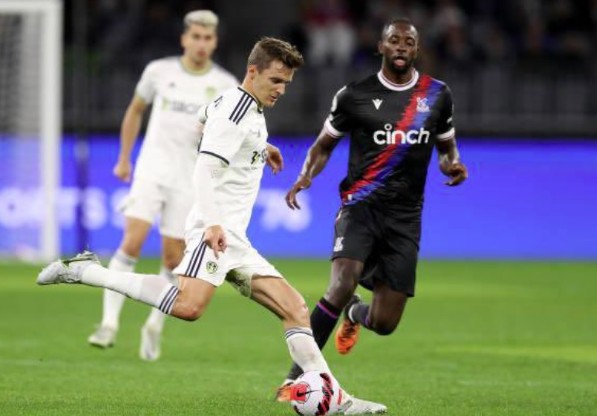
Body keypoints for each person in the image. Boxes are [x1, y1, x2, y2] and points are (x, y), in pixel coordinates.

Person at [38, 37, 387, 415]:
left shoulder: (237, 104)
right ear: (252, 72)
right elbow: (204, 169)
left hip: (235, 237)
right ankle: (87, 271)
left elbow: (202, 121)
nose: (281, 90)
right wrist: (213, 223)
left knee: (295, 308)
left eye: (286, 83)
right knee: (188, 306)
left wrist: (259, 147)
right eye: (275, 80)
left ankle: (338, 399)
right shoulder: (236, 111)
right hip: (215, 230)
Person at [280, 17, 468, 386]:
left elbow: (447, 147)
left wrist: (452, 164)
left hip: (405, 216)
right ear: (381, 46)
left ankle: (354, 314)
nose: (401, 47)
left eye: (409, 42)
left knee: (384, 323)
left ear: (416, 49)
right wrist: (305, 176)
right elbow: (323, 145)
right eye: (394, 40)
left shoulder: (437, 95)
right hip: (360, 207)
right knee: (341, 283)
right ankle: (295, 380)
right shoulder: (354, 95)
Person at [87, 10, 238, 361]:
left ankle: (154, 325)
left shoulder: (226, 85)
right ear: (184, 38)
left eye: (207, 38)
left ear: (215, 42)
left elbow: (232, 136)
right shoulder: (159, 71)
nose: (201, 44)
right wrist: (124, 158)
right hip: (152, 169)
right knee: (132, 241)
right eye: (196, 36)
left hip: (190, 178)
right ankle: (108, 323)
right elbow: (135, 110)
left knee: (173, 258)